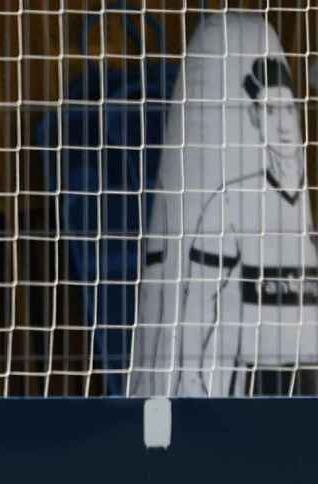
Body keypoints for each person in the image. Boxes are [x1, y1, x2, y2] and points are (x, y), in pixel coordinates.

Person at [133, 13, 318, 397]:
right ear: (254, 116)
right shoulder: (230, 204)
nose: (283, 123)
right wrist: (193, 385)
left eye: (288, 109)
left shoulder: (300, 213)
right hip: (247, 380)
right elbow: (199, 301)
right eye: (269, 110)